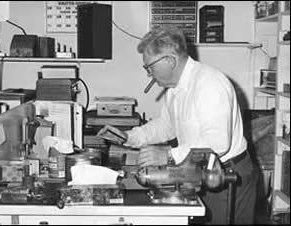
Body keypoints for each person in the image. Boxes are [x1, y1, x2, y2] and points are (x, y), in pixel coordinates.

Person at [104, 27, 259, 225]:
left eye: (149, 67)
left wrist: (168, 155)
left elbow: (217, 142)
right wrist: (130, 137)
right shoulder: (175, 88)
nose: (149, 74)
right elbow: (166, 127)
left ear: (170, 60)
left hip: (227, 175)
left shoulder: (209, 83)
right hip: (200, 172)